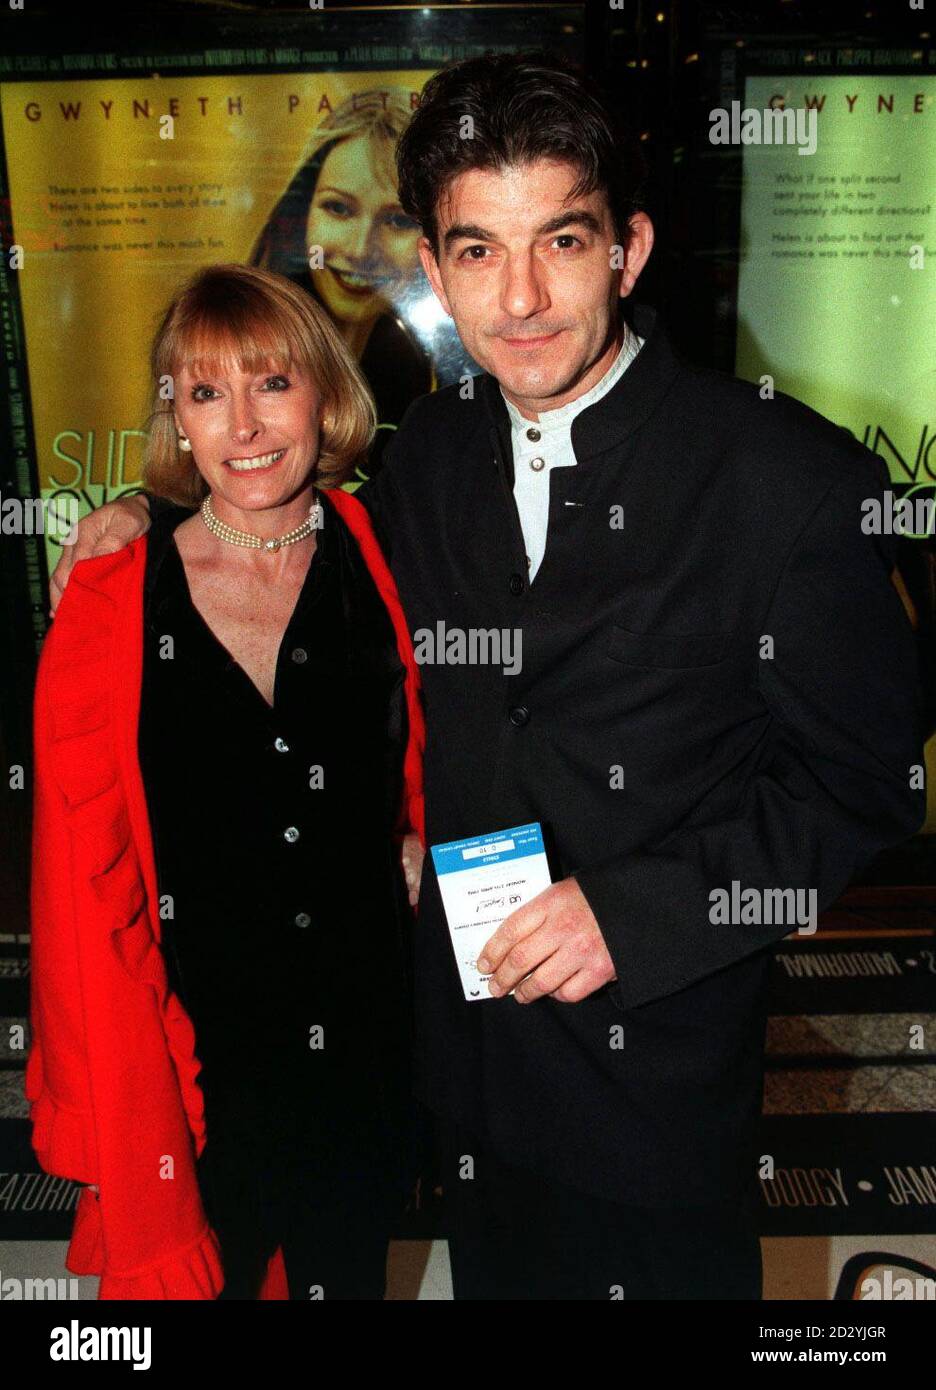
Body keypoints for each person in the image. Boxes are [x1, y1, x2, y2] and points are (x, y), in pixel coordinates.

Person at [51, 51, 928, 1301]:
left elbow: (865, 784)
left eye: (560, 241)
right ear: (437, 265)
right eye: (477, 250)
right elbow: (293, 528)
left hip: (654, 1092)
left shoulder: (788, 482)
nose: (520, 298)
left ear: (627, 248)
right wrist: (151, 513)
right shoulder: (432, 457)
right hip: (462, 1076)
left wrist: (636, 912)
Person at [28, 263, 425, 1299]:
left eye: (272, 384)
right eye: (206, 393)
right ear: (179, 419)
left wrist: (416, 835)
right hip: (197, 1062)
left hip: (363, 1038)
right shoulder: (114, 598)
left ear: (326, 395)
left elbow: (446, 739)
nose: (243, 425)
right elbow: (79, 877)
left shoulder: (384, 551)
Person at [250, 88, 438, 480]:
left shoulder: (420, 372)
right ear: (302, 214)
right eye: (338, 208)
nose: (359, 249)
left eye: (397, 220)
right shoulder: (243, 355)